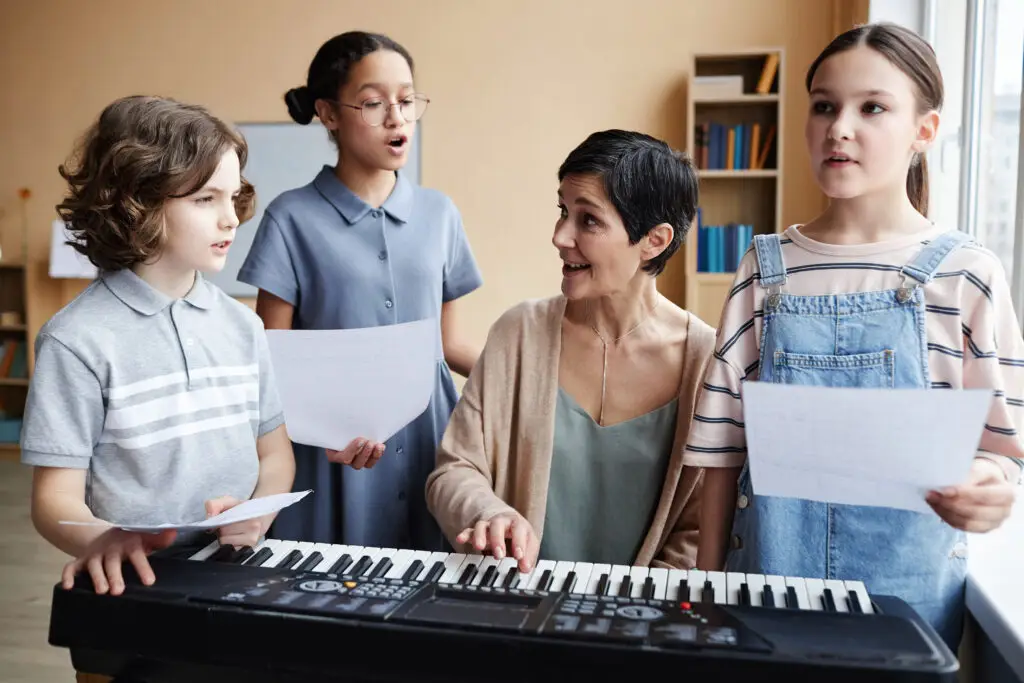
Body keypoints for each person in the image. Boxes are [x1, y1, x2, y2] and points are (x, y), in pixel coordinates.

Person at [684, 22, 1022, 652]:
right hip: (765, 599)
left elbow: (1000, 448)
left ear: (925, 130)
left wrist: (989, 491)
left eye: (872, 108)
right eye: (824, 106)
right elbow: (720, 449)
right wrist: (707, 592)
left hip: (911, 611)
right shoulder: (764, 267)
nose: (841, 126)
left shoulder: (967, 273)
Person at [21, 95, 296, 596]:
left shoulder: (243, 326)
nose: (231, 218)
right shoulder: (75, 340)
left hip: (234, 575)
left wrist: (257, 516)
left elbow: (276, 458)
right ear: (138, 202)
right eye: (205, 199)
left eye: (232, 198)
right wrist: (101, 538)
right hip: (128, 587)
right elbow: (53, 500)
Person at [425, 130, 715, 574]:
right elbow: (454, 469)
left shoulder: (707, 362)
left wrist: (634, 614)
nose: (560, 236)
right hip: (513, 622)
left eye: (589, 220)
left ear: (654, 241)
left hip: (641, 630)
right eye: (563, 211)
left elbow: (702, 528)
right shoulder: (517, 333)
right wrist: (486, 512)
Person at [237, 31, 483, 551]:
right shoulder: (290, 218)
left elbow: (449, 343)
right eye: (374, 103)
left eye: (407, 100)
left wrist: (529, 383)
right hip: (330, 452)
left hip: (430, 443)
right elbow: (269, 364)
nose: (397, 117)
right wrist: (324, 432)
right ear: (328, 114)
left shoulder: (440, 214)